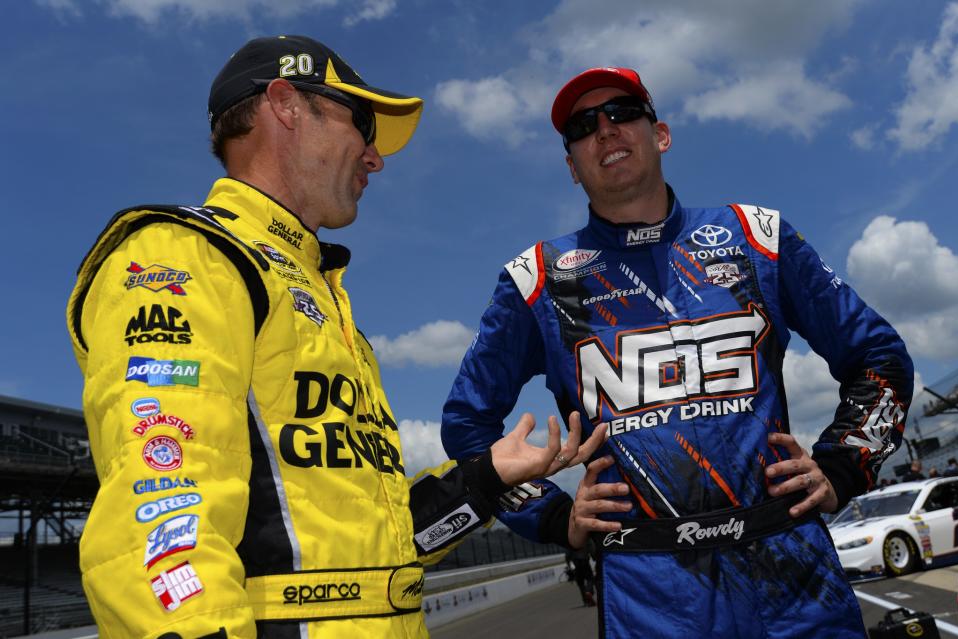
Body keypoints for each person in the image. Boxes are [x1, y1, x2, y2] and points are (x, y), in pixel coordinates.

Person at [65, 36, 603, 638]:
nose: (375, 158)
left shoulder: (319, 292)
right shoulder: (190, 256)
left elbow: (382, 553)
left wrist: (484, 477)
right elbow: (160, 506)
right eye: (363, 125)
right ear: (287, 103)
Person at [441, 67, 914, 637]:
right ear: (572, 166)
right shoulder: (537, 280)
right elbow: (469, 428)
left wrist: (843, 466)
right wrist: (554, 516)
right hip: (651, 594)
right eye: (584, 126)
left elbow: (879, 358)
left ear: (659, 134)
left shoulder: (756, 235)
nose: (606, 131)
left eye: (622, 113)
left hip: (792, 574)